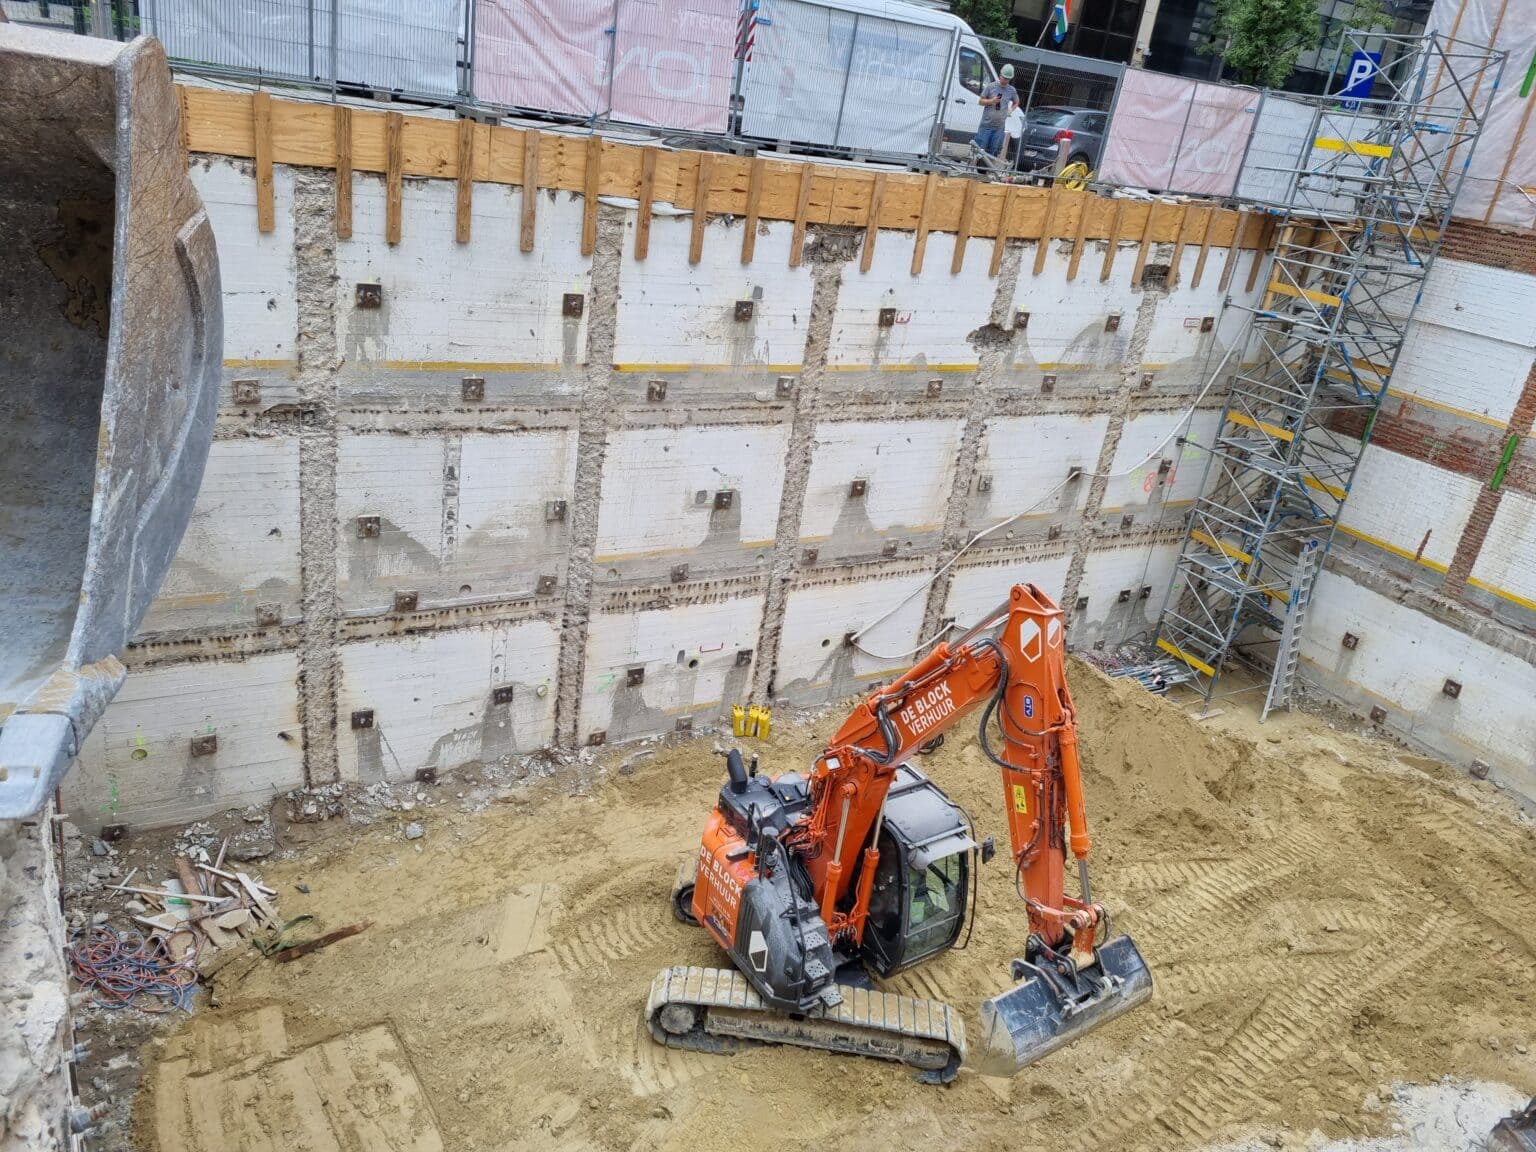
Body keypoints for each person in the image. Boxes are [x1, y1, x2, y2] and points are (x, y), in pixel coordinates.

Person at [975, 63, 1018, 158]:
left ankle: (986, 171)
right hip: (986, 125)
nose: (1005, 80)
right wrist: (991, 101)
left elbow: (1016, 102)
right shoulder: (991, 87)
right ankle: (974, 168)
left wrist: (1011, 110)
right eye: (1004, 77)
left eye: (1007, 79)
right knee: (979, 150)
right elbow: (980, 101)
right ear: (1000, 75)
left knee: (993, 152)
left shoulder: (1011, 90)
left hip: (999, 127)